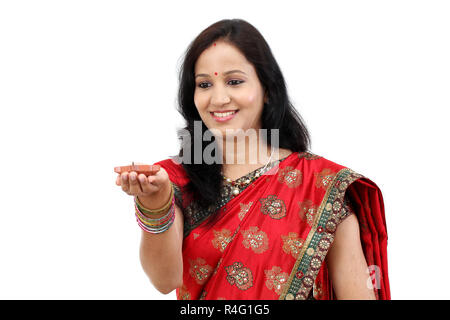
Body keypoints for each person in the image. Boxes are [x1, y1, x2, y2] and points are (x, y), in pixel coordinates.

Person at [115, 19, 390, 300]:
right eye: (204, 84)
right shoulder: (174, 179)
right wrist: (156, 204)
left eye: (234, 81)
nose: (219, 98)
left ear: (267, 89)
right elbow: (164, 280)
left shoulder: (320, 185)